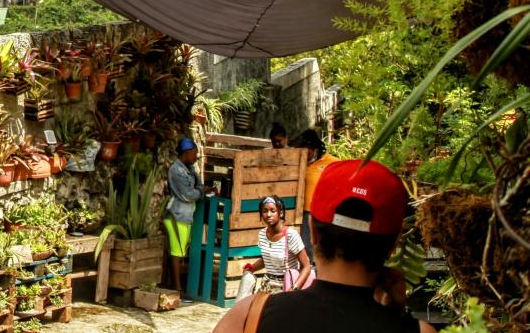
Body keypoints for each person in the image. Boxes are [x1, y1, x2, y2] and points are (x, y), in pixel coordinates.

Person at [214, 160, 434, 333]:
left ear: (314, 233)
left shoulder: (248, 316)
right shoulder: (420, 331)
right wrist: (397, 315)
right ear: (394, 244)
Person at [164, 137, 213, 298]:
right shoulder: (175, 170)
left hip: (186, 215)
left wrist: (199, 189)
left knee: (180, 250)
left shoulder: (190, 168)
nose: (196, 157)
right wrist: (201, 192)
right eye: (194, 154)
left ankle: (175, 284)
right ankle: (177, 288)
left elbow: (198, 185)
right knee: (176, 251)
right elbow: (187, 194)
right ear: (186, 153)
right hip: (177, 214)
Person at [237, 195, 311, 297]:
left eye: (273, 210)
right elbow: (267, 259)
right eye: (265, 211)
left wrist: (294, 289)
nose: (268, 214)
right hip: (266, 287)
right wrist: (252, 268)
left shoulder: (291, 235)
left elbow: (306, 266)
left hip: (286, 287)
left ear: (280, 213)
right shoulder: (262, 234)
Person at [294, 129, 338, 265]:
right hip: (305, 213)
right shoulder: (301, 164)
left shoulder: (333, 163)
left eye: (308, 151)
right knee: (306, 246)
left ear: (316, 148)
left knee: (322, 247)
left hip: (324, 213)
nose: (306, 155)